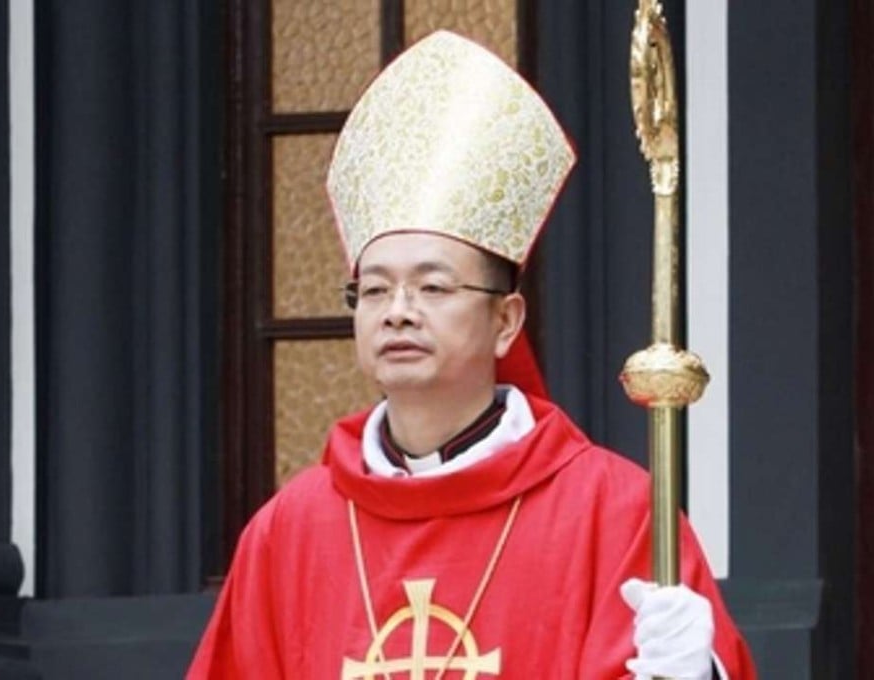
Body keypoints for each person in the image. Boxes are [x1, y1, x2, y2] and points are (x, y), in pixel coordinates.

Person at [188, 30, 756, 679]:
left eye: (432, 286)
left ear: (506, 321)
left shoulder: (614, 511)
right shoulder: (290, 530)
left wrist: (699, 673)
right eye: (374, 289)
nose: (398, 309)